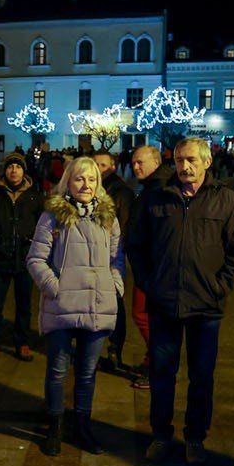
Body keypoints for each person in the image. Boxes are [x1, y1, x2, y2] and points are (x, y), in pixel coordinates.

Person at [128, 137, 234, 464]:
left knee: (201, 377)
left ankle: (195, 437)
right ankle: (160, 434)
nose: (184, 167)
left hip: (205, 308)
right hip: (164, 304)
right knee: (162, 374)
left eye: (191, 161)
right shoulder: (156, 199)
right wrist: (149, 283)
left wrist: (219, 287)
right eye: (180, 160)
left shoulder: (226, 201)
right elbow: (136, 246)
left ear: (207, 163)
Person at [27, 156, 124, 456]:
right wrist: (56, 289)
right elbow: (35, 260)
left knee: (87, 372)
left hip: (97, 305)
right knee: (57, 370)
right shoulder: (53, 216)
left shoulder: (108, 217)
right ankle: (55, 424)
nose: (86, 185)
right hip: (62, 306)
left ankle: (82, 425)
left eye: (92, 179)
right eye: (80, 178)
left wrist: (114, 287)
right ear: (68, 180)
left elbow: (116, 259)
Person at [0, 152, 45, 363]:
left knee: (24, 304)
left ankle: (22, 342)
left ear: (24, 171)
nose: (14, 170)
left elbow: (43, 222)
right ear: (4, 170)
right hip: (0, 257)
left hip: (25, 258)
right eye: (10, 167)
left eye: (18, 167)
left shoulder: (34, 195)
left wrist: (34, 238)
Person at [126, 145, 176, 389]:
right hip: (148, 266)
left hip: (153, 269)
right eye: (133, 162)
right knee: (147, 317)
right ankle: (152, 361)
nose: (135, 167)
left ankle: (158, 365)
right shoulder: (151, 187)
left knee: (144, 316)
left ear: (156, 162)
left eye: (140, 162)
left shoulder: (159, 189)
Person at [94, 150, 136, 374]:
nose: (99, 169)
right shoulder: (93, 188)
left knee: (116, 305)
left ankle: (114, 350)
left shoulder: (121, 192)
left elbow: (125, 224)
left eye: (103, 165)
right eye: (95, 164)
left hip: (113, 255)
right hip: (93, 256)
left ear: (112, 166)